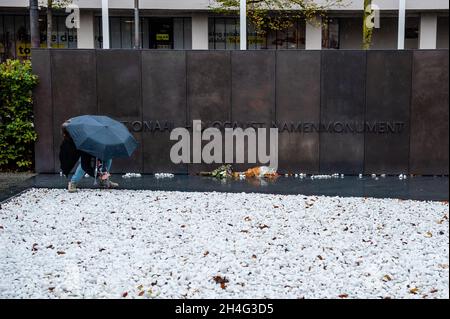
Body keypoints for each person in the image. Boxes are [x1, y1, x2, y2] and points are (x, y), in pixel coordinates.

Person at [60, 121, 119, 193]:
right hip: (85, 148)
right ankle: (73, 183)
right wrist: (98, 175)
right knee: (82, 167)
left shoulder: (93, 133)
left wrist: (102, 171)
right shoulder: (79, 141)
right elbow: (85, 165)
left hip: (95, 145)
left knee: (108, 158)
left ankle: (103, 180)